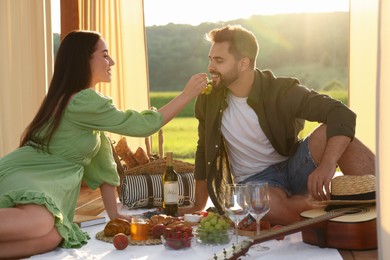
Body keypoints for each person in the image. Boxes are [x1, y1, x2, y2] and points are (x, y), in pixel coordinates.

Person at [0, 30, 208, 258]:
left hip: (50, 183)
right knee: (39, 224)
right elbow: (141, 125)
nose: (112, 62)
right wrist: (187, 95)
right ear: (84, 60)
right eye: (105, 55)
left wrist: (114, 214)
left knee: (53, 236)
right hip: (29, 175)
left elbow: (103, 165)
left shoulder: (85, 106)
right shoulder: (83, 100)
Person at [179, 25, 375, 225]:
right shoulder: (208, 99)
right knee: (273, 208)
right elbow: (203, 151)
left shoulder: (280, 91)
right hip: (255, 181)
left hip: (294, 166)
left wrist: (328, 164)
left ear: (244, 63)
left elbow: (341, 113)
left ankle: (380, 199)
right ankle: (340, 203)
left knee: (335, 133)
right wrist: (197, 204)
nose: (211, 66)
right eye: (211, 59)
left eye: (219, 60)